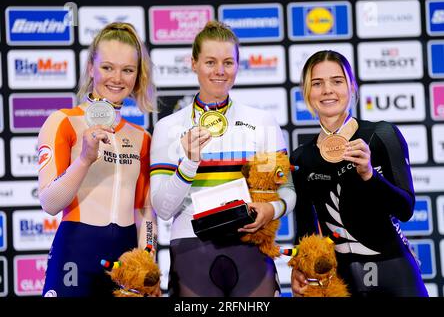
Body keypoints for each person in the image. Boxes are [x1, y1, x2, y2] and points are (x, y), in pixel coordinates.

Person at [150, 20, 296, 297]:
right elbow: (163, 208)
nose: (220, 71)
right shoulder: (168, 128)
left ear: (238, 65)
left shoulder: (262, 122)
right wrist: (190, 162)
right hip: (192, 249)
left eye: (228, 62)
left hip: (250, 246)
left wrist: (270, 211)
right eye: (210, 62)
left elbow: (287, 191)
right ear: (193, 63)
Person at [290, 50, 428, 297]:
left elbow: (405, 209)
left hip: (395, 273)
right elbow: (306, 229)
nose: (327, 90)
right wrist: (301, 267)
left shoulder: (381, 135)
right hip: (341, 283)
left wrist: (369, 174)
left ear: (352, 86)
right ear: (307, 93)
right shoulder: (302, 158)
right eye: (317, 83)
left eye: (337, 81)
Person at [38, 22, 159, 297]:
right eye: (107, 67)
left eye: (127, 70)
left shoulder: (141, 136)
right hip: (76, 253)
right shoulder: (63, 122)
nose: (117, 78)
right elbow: (50, 202)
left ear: (137, 76)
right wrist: (84, 159)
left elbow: (145, 213)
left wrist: (147, 260)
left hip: (127, 261)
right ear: (91, 67)